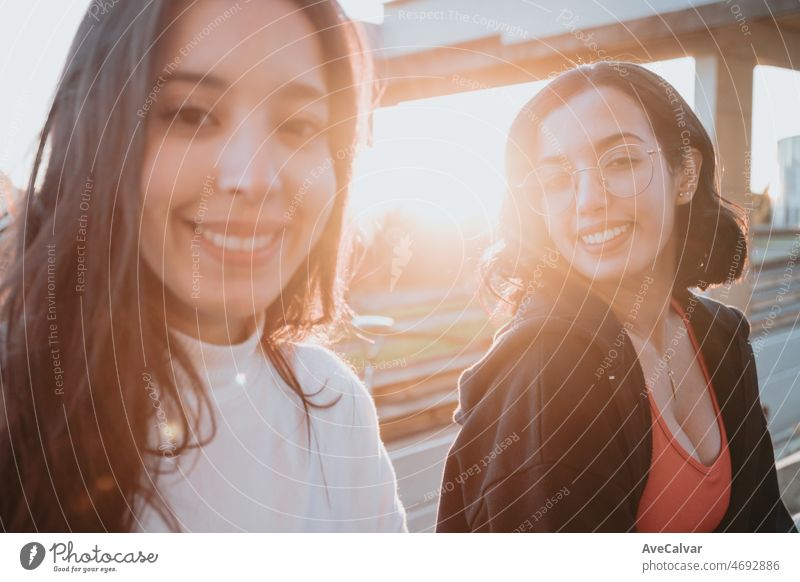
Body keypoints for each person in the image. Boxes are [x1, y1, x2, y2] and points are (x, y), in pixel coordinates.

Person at [0, 0, 407, 533]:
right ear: (97, 140)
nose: (255, 178)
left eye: (301, 124)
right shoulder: (17, 412)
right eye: (190, 114)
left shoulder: (334, 406)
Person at [436, 62, 797, 533]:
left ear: (685, 174)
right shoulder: (550, 372)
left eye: (622, 161)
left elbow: (766, 531)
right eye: (557, 178)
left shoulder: (720, 337)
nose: (589, 200)